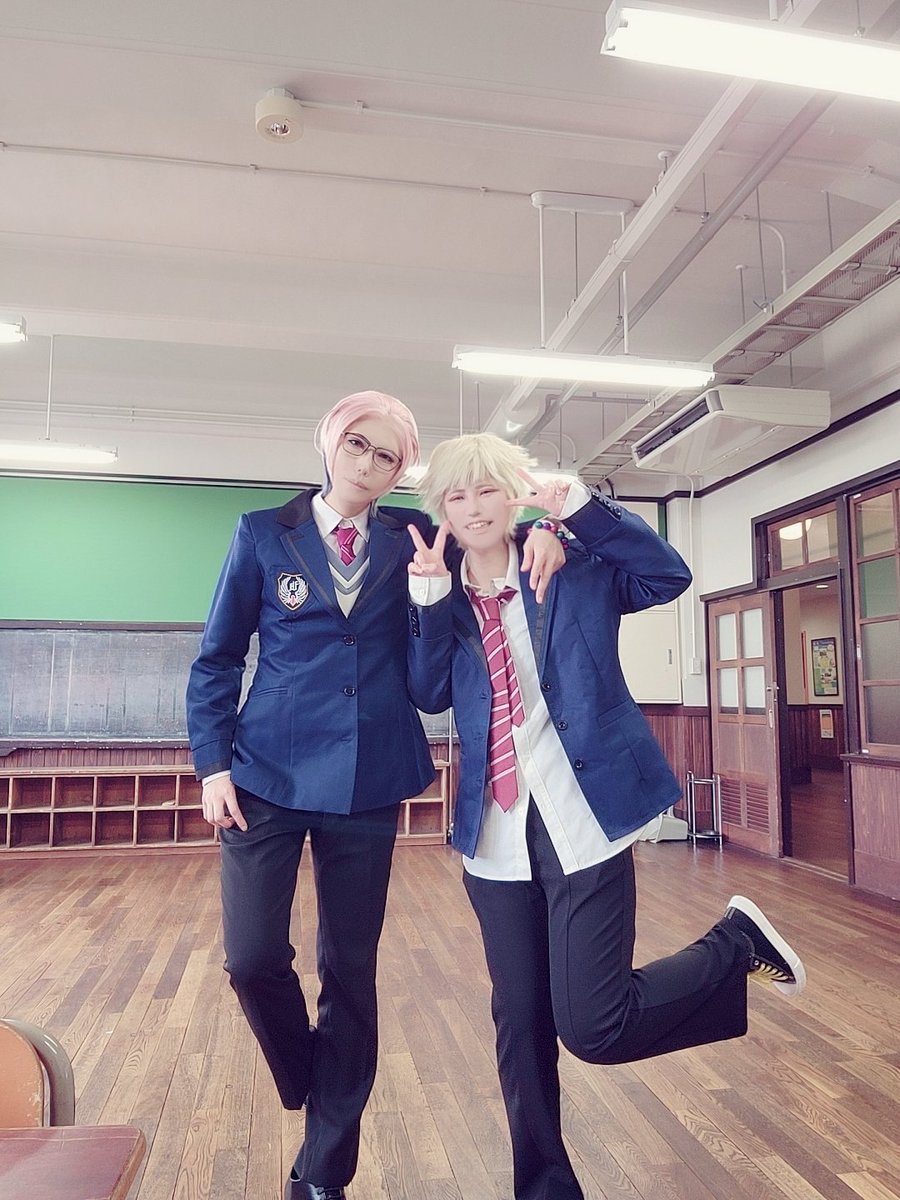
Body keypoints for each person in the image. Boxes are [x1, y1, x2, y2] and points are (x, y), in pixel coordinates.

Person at [406, 432, 806, 1200]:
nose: (473, 508)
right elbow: (427, 693)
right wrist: (426, 602)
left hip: (582, 822)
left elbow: (668, 575)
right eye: (456, 496)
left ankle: (731, 945)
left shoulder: (571, 565)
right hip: (495, 841)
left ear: (512, 496)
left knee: (594, 1027)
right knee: (520, 1025)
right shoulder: (439, 597)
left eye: (487, 490)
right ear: (442, 510)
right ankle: (545, 1189)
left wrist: (579, 514)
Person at [185, 394, 565, 1200]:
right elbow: (217, 658)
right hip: (264, 775)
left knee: (349, 971)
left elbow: (492, 546)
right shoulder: (262, 532)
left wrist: (550, 535)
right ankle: (316, 1079)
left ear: (400, 472)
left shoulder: (417, 539)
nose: (367, 462)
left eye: (387, 455)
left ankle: (323, 1173)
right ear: (328, 442)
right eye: (357, 444)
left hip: (370, 778)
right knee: (252, 959)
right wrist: (213, 766)